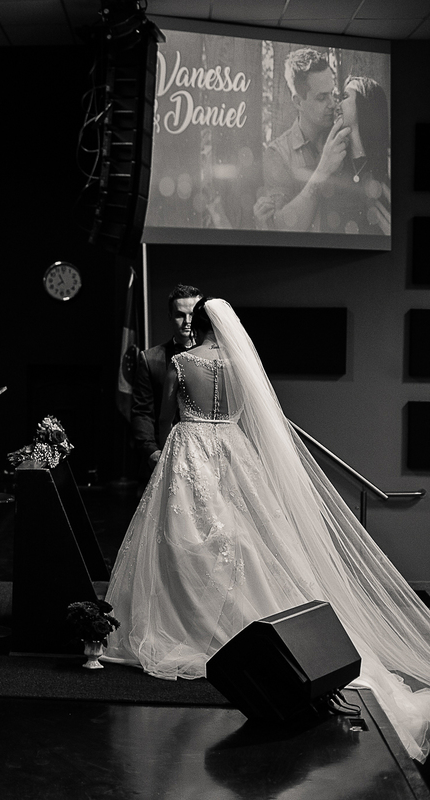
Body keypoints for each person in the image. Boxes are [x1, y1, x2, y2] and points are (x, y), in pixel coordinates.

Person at [103, 298, 430, 762]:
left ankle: (188, 622)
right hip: (234, 453)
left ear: (201, 324)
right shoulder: (243, 367)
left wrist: (165, 444)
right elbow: (252, 418)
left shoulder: (180, 361)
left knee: (183, 542)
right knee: (246, 542)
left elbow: (165, 418)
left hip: (191, 450)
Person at [258, 48, 353, 232]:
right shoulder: (277, 154)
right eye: (321, 97)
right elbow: (282, 229)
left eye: (332, 93)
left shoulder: (344, 133)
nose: (332, 104)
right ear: (297, 102)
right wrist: (322, 170)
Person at [129, 284, 201, 476]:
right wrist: (152, 451)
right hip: (167, 454)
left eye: (192, 315)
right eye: (180, 315)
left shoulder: (214, 358)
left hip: (205, 455)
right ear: (170, 316)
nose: (187, 321)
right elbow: (142, 412)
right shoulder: (150, 359)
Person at [325, 75, 392, 235]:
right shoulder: (334, 165)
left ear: (365, 105)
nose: (337, 104)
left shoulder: (388, 166)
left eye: (345, 97)